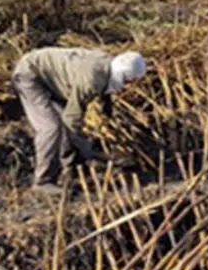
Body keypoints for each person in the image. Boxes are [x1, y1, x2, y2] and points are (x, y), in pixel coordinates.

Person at [11, 47, 146, 191]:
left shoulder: (108, 65)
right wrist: (74, 155)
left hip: (53, 80)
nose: (129, 85)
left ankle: (70, 166)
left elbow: (104, 86)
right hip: (30, 75)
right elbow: (71, 118)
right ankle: (43, 181)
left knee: (67, 128)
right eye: (129, 81)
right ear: (123, 75)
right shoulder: (91, 79)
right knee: (51, 128)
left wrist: (107, 108)